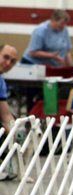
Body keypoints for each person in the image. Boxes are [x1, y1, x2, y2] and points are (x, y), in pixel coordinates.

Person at [0, 44, 19, 181]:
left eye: (12, 61)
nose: (8, 63)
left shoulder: (1, 82)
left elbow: (5, 114)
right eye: (5, 57)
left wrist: (17, 133)